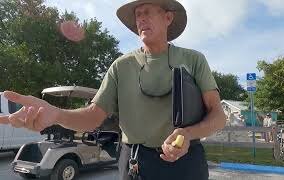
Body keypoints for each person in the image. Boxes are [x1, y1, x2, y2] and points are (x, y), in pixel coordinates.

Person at [0, 0, 226, 179]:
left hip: (187, 162)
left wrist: (188, 134)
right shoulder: (120, 66)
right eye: (138, 15)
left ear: (168, 17)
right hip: (136, 162)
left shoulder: (194, 60)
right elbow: (92, 117)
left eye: (148, 12)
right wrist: (55, 114)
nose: (142, 19)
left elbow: (218, 115)